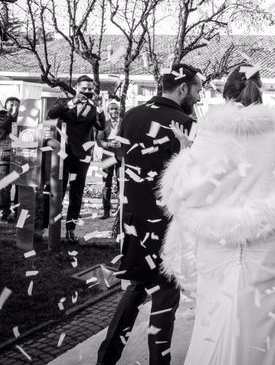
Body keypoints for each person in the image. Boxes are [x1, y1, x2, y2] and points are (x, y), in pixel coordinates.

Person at [159, 64, 275, 365]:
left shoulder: (211, 130)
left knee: (211, 327)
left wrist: (186, 154)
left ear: (226, 94)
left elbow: (186, 191)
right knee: (259, 336)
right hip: (268, 249)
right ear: (261, 92)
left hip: (216, 245)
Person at [96, 64, 202, 365]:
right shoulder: (187, 123)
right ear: (182, 88)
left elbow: (122, 161)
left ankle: (106, 358)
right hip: (169, 226)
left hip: (133, 221)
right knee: (166, 297)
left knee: (133, 292)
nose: (198, 96)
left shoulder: (131, 116)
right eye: (196, 90)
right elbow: (190, 180)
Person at [47, 75, 105, 244]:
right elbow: (51, 114)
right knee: (58, 191)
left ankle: (70, 230)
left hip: (83, 155)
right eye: (84, 88)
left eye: (90, 89)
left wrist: (100, 110)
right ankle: (53, 230)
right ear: (76, 87)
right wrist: (71, 103)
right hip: (63, 154)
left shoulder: (94, 108)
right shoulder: (64, 102)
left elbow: (100, 126)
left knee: (76, 193)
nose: (87, 92)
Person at [96, 101, 122, 220]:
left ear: (119, 110)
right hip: (107, 156)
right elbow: (99, 140)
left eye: (116, 109)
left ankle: (120, 209)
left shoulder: (124, 123)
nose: (114, 111)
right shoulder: (103, 124)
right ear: (108, 111)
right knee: (107, 185)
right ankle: (106, 210)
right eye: (111, 109)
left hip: (121, 155)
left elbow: (129, 137)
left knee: (122, 183)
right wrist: (108, 144)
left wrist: (121, 143)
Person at [0, 97, 20, 221]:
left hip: (21, 157)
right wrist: (11, 116)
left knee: (21, 185)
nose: (14, 107)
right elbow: (2, 129)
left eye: (17, 105)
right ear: (6, 106)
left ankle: (18, 212)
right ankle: (5, 212)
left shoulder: (24, 118)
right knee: (4, 186)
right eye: (11, 104)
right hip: (5, 156)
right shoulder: (2, 117)